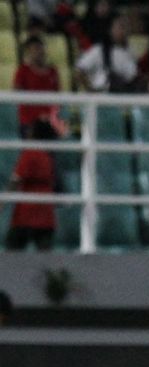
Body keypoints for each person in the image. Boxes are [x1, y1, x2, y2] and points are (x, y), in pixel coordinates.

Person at [4, 119, 58, 252]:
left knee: (11, 255)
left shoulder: (30, 153)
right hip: (46, 213)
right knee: (47, 259)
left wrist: (2, 202)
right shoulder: (49, 157)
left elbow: (16, 180)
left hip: (26, 214)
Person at [74, 15, 138, 93]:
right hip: (101, 96)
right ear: (111, 30)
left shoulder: (131, 52)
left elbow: (132, 77)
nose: (123, 31)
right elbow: (79, 71)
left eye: (126, 27)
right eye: (120, 27)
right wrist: (90, 91)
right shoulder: (99, 50)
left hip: (123, 96)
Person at [13, 36, 60, 139]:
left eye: (41, 48)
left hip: (49, 122)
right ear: (29, 52)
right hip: (29, 122)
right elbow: (17, 95)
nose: (39, 52)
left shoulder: (53, 71)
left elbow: (58, 98)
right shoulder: (23, 71)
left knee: (50, 151)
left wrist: (50, 117)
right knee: (33, 151)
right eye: (35, 49)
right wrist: (36, 118)